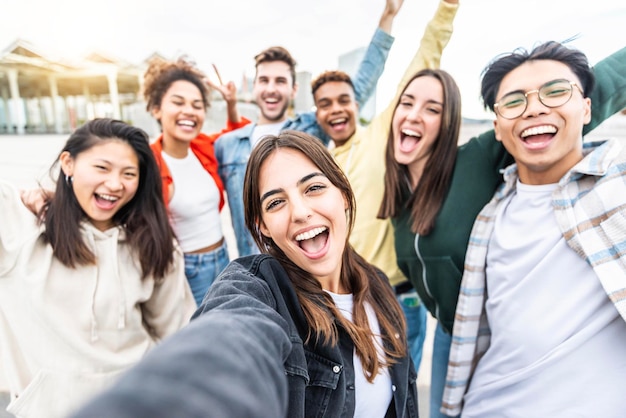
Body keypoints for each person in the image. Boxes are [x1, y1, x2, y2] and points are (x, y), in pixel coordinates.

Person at [70, 130, 419, 418]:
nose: (299, 212)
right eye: (275, 202)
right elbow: (231, 337)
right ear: (262, 227)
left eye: (313, 188)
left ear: (343, 195)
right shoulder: (256, 289)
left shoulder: (379, 286)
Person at [378, 47, 626, 417]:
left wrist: (569, 93)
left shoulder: (477, 159)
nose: (415, 115)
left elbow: (554, 113)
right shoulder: (397, 198)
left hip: (486, 330)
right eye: (407, 103)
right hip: (453, 333)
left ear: (449, 124)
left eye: (432, 109)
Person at [0, 119, 196, 418]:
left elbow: (176, 337)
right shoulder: (21, 228)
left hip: (138, 407)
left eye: (129, 173)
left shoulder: (154, 245)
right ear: (68, 163)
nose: (115, 184)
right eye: (102, 168)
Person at [311, 0, 459, 372]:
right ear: (317, 114)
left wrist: (446, 9)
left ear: (355, 103)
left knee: (402, 389)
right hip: (347, 296)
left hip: (398, 295)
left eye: (344, 100)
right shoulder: (318, 166)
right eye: (325, 104)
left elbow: (424, 61)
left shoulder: (380, 134)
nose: (336, 109)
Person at [215, 0, 406, 258]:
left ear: (294, 90)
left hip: (306, 259)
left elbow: (359, 87)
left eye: (280, 81)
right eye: (264, 80)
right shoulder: (226, 145)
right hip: (258, 268)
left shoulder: (311, 127)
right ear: (254, 86)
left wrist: (387, 18)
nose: (272, 88)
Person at [144, 57, 251, 305]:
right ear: (156, 109)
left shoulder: (203, 147)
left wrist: (231, 103)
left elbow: (236, 139)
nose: (189, 111)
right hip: (188, 269)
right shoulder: (147, 161)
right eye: (178, 102)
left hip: (224, 257)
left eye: (197, 105)